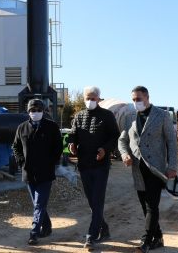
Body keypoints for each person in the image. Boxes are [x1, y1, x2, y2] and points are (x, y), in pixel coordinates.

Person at [118, 86, 178, 253]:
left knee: (152, 206)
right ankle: (158, 237)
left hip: (156, 169)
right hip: (137, 169)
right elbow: (122, 140)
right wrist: (124, 155)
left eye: (139, 99)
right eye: (133, 99)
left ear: (147, 97)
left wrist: (172, 166)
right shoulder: (129, 116)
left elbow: (172, 142)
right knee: (145, 206)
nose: (136, 102)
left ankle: (145, 241)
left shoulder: (162, 115)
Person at [66, 86, 120, 248]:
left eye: (93, 98)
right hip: (83, 164)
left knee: (98, 199)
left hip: (100, 165)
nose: (90, 101)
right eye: (88, 98)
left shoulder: (107, 115)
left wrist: (105, 149)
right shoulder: (78, 116)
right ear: (84, 99)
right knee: (92, 201)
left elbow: (115, 136)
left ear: (98, 99)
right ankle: (104, 229)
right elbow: (73, 133)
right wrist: (71, 143)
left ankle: (91, 234)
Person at [12, 98, 63, 245]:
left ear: (43, 111)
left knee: (40, 203)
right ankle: (46, 226)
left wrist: (51, 162)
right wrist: (21, 162)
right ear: (28, 112)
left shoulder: (52, 127)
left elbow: (58, 147)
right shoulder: (22, 128)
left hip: (45, 173)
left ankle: (34, 232)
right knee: (37, 204)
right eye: (33, 110)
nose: (36, 113)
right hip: (28, 173)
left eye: (39, 110)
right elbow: (15, 147)